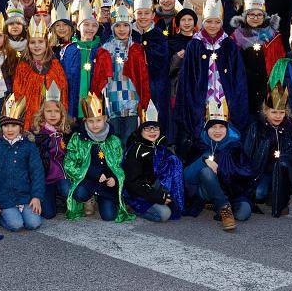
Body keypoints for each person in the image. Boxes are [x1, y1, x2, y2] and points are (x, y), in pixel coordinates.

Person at [178, 0, 249, 153]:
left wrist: (236, 98)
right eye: (209, 22)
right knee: (204, 133)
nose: (213, 26)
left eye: (217, 22)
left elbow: (238, 75)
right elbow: (187, 77)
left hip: (224, 97)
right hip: (201, 98)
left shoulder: (229, 44)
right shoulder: (195, 44)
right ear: (203, 22)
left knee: (223, 131)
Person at [183, 100, 254, 231]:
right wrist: (203, 160)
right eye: (213, 127)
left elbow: (245, 173)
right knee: (206, 172)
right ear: (206, 128)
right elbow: (187, 177)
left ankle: (220, 204)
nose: (217, 131)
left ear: (227, 129)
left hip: (232, 192)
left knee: (243, 214)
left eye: (221, 127)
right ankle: (224, 209)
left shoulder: (235, 147)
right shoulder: (199, 145)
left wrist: (222, 169)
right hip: (205, 191)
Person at [63, 92, 133, 222]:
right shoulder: (78, 139)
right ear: (85, 121)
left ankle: (102, 199)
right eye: (90, 121)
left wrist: (114, 179)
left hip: (106, 185)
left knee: (109, 217)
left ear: (105, 118)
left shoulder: (113, 140)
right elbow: (69, 164)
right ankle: (88, 199)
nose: (95, 125)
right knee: (79, 193)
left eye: (98, 120)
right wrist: (95, 174)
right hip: (87, 182)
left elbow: (119, 164)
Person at [0, 94, 45, 232]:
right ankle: (0, 216)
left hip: (26, 196)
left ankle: (22, 211)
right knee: (16, 225)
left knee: (34, 224)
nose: (9, 130)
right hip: (4, 197)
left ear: (20, 127)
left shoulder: (29, 146)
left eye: (13, 126)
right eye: (5, 126)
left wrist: (36, 197)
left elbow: (37, 173)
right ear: (1, 127)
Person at [242, 85, 292, 217]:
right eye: (274, 112)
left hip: (283, 171)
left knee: (281, 182)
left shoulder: (291, 128)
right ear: (266, 111)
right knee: (259, 193)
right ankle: (271, 192)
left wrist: (285, 159)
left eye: (281, 112)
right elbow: (248, 152)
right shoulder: (256, 128)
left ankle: (280, 196)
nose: (278, 116)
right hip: (263, 171)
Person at [94, 4, 151, 144]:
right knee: (114, 138)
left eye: (125, 25)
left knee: (130, 137)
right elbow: (98, 77)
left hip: (132, 99)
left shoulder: (136, 49)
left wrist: (144, 100)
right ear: (113, 28)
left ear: (130, 28)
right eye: (118, 26)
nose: (122, 29)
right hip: (112, 99)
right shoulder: (105, 49)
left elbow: (142, 77)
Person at [122, 102, 185, 222]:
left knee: (172, 161)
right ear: (140, 130)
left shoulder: (158, 146)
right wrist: (159, 197)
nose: (152, 131)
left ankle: (165, 199)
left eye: (155, 128)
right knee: (164, 214)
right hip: (136, 193)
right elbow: (133, 183)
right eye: (147, 128)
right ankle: (133, 208)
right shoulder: (136, 151)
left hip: (152, 186)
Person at [230, 0, 285, 118]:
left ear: (264, 16)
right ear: (245, 16)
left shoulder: (273, 37)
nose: (255, 18)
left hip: (267, 86)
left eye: (259, 15)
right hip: (244, 85)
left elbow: (280, 62)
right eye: (251, 15)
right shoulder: (236, 37)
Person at [131, 0, 173, 141]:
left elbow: (163, 60)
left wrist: (146, 49)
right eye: (139, 13)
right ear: (133, 14)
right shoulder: (128, 33)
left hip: (155, 85)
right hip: (134, 86)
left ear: (153, 15)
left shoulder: (159, 36)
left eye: (146, 13)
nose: (143, 17)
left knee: (155, 117)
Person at [12, 16, 68, 129]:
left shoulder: (55, 65)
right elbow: (18, 90)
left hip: (51, 113)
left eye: (40, 42)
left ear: (46, 44)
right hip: (30, 112)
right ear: (28, 44)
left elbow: (63, 88)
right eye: (33, 42)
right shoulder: (23, 66)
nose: (37, 46)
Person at [60, 0, 106, 121]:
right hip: (72, 108)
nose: (90, 29)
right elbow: (63, 81)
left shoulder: (102, 50)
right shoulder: (68, 50)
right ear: (79, 27)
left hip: (95, 111)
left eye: (94, 25)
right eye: (86, 24)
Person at [32, 82, 71, 220]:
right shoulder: (38, 134)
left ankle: (62, 198)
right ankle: (52, 200)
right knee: (49, 214)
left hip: (62, 175)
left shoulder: (66, 132)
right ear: (42, 113)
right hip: (45, 178)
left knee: (68, 191)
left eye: (56, 111)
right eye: (49, 111)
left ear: (62, 113)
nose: (53, 115)